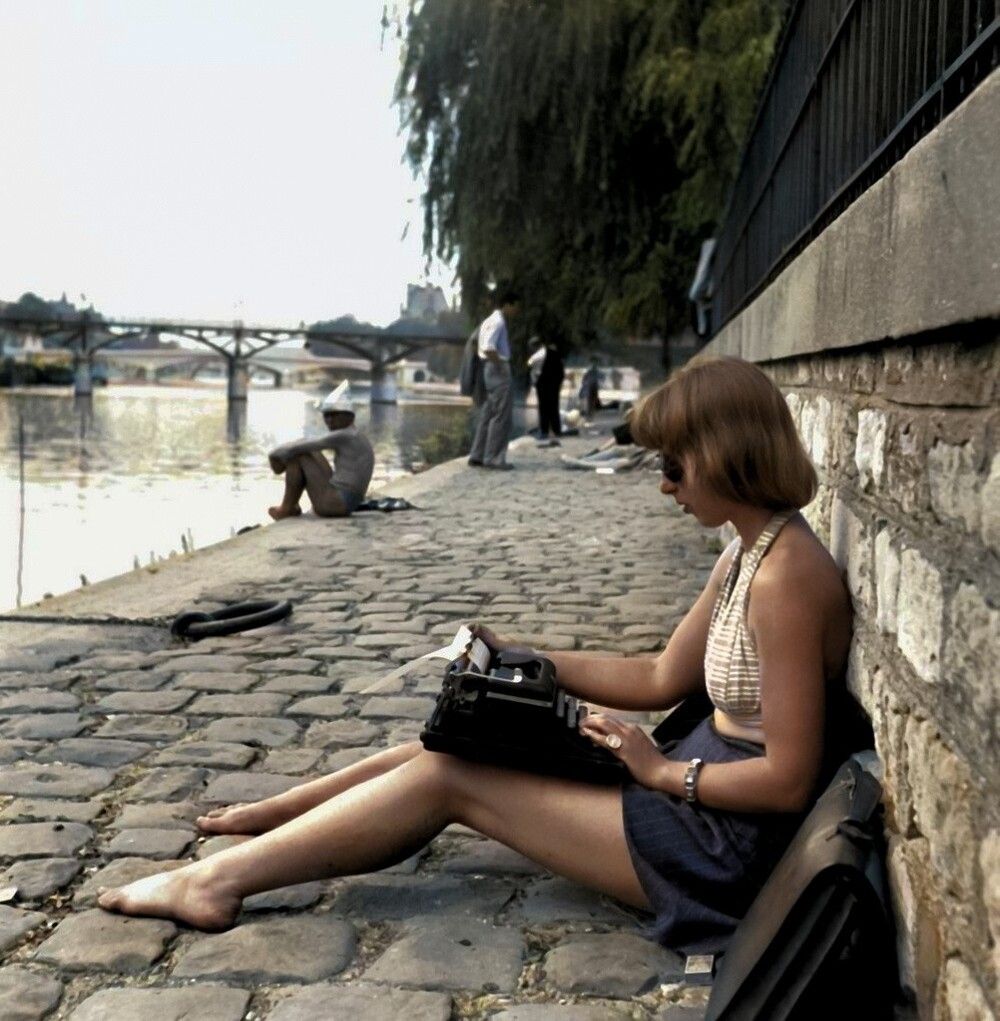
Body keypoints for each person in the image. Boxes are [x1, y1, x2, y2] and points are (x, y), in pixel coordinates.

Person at [97, 356, 851, 956]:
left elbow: (788, 781)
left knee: (449, 777)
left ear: (721, 456)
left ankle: (215, 882)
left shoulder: (786, 579)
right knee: (460, 740)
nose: (663, 485)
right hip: (700, 797)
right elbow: (660, 675)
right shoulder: (749, 551)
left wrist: (658, 771)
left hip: (719, 847)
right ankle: (279, 818)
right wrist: (524, 655)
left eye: (674, 466)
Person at [266, 381, 374, 520]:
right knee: (307, 450)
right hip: (345, 502)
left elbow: (300, 447)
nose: (329, 420)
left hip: (336, 504)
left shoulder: (345, 435)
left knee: (300, 454)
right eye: (326, 416)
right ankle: (290, 506)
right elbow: (307, 443)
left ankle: (286, 509)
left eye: (334, 415)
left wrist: (273, 456)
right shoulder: (354, 434)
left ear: (349, 416)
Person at [467, 287, 519, 470]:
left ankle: (478, 454)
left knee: (488, 413)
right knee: (501, 416)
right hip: (497, 367)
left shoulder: (488, 321)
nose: (517, 311)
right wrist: (501, 366)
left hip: (488, 369)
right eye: (516, 307)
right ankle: (494, 458)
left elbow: (477, 344)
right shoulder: (498, 322)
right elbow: (489, 347)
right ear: (508, 305)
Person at [528, 335, 564, 445]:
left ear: (534, 346)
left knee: (543, 408)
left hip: (543, 384)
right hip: (554, 384)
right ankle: (556, 430)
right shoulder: (554, 353)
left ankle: (544, 431)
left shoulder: (535, 357)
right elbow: (561, 371)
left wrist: (534, 383)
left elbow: (531, 367)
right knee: (554, 407)